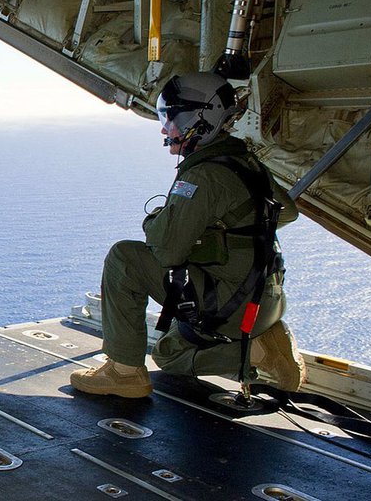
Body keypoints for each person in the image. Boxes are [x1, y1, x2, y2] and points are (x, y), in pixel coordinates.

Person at [71, 71, 306, 398]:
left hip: (231, 303)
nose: (165, 128)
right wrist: (221, 233)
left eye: (171, 119)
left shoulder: (203, 176)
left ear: (200, 120)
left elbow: (166, 250)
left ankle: (124, 373)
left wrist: (157, 220)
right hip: (265, 298)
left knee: (124, 258)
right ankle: (261, 350)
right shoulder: (245, 161)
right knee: (168, 354)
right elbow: (287, 211)